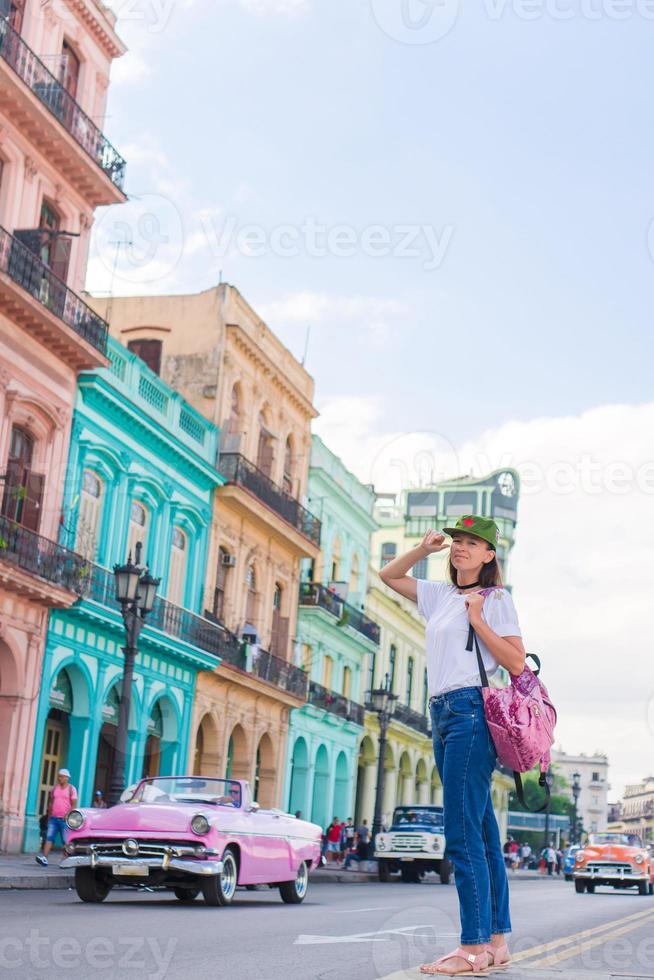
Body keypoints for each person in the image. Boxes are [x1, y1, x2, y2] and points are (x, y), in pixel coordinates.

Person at [380, 517, 526, 975]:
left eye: (472, 543)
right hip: (441, 712)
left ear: (489, 555)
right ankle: (497, 941)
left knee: (461, 837)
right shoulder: (439, 595)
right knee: (482, 834)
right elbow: (388, 576)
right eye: (457, 541)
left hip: (469, 713)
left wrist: (478, 620)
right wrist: (423, 549)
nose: (460, 548)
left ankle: (472, 948)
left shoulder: (496, 600)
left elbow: (517, 662)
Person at [35, 768, 78, 866]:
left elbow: (74, 805)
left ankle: (66, 859)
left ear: (67, 778)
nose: (59, 778)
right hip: (53, 819)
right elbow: (51, 803)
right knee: (49, 838)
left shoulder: (72, 789)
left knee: (65, 840)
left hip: (64, 820)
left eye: (62, 776)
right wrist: (49, 816)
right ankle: (44, 858)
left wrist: (67, 815)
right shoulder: (55, 789)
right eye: (59, 776)